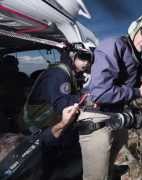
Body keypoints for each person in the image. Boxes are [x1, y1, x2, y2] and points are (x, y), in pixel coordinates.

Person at [78, 13, 142, 180]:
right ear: (135, 28)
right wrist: (140, 91)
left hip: (115, 118)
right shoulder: (113, 46)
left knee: (108, 166)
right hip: (97, 119)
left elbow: (124, 86)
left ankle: (110, 172)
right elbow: (100, 93)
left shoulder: (134, 56)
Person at [23, 46, 93, 178]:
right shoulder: (59, 74)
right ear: (73, 55)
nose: (87, 62)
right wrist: (87, 97)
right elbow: (62, 104)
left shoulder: (70, 73)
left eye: (90, 59)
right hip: (39, 125)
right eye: (83, 57)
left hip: (49, 121)